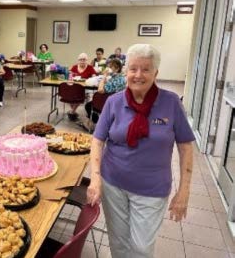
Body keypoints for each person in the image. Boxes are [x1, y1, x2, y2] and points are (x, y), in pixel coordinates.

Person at [86, 44, 195, 258]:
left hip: (152, 189)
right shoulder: (114, 102)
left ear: (156, 73)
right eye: (133, 68)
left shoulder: (171, 102)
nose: (138, 75)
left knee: (141, 247)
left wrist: (184, 191)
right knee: (118, 242)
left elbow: (185, 147)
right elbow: (97, 141)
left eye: (146, 69)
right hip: (113, 184)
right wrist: (95, 178)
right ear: (126, 71)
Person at [83, 58, 126, 127]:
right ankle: (97, 123)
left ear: (117, 69)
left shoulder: (115, 79)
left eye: (111, 67)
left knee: (88, 105)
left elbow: (100, 90)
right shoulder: (121, 78)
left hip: (108, 103)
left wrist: (104, 76)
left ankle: (98, 123)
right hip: (118, 103)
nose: (109, 68)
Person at [67, 53, 97, 121]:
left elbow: (94, 77)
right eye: (81, 59)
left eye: (84, 59)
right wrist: (70, 76)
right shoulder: (74, 67)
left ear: (87, 60)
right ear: (78, 60)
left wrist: (92, 77)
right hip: (74, 87)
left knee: (80, 95)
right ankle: (73, 111)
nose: (82, 61)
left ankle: (72, 112)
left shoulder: (90, 67)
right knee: (69, 94)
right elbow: (70, 77)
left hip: (86, 88)